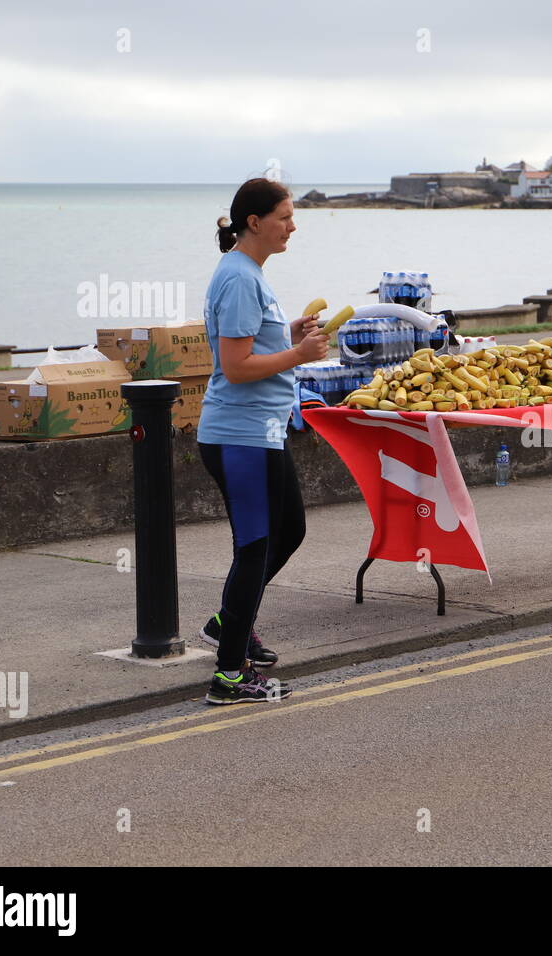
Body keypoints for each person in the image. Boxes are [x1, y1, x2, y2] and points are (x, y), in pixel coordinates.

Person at [198, 178, 330, 704]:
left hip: (265, 432)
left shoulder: (249, 273)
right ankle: (229, 675)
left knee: (289, 531)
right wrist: (298, 357)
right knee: (253, 546)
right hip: (240, 435)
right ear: (254, 222)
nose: (292, 226)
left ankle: (228, 621)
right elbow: (235, 368)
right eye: (284, 217)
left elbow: (254, 346)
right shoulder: (238, 279)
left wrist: (289, 335)